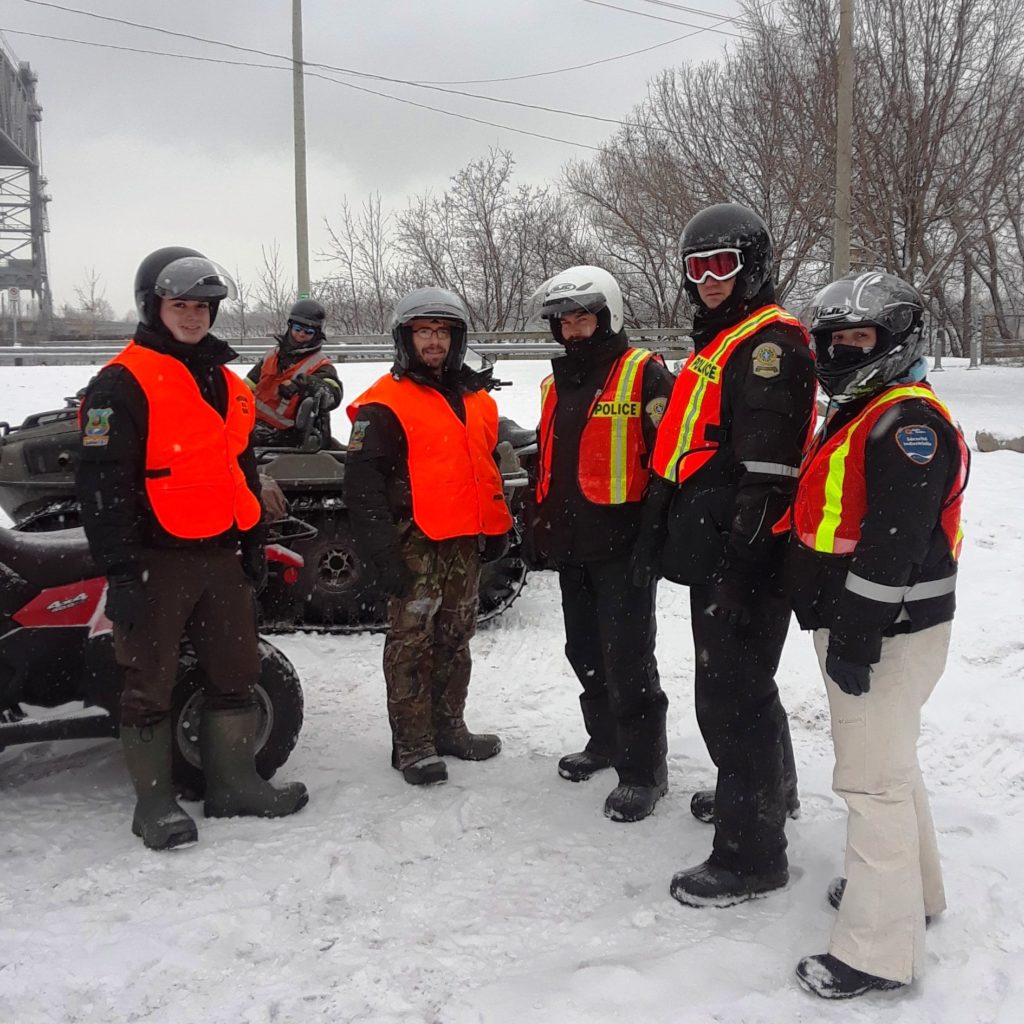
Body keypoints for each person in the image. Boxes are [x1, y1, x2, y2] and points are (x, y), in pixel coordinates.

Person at [76, 247, 309, 851]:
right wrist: (122, 572)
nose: (194, 316)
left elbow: (241, 468)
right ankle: (153, 804)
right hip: (157, 559)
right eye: (181, 305)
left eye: (203, 306)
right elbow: (102, 487)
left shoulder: (229, 383)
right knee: (148, 682)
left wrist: (253, 538)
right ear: (154, 306)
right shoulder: (120, 383)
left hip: (222, 555)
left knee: (235, 673)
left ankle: (233, 786)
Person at [783, 272, 969, 999]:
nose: (839, 350)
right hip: (873, 623)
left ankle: (878, 951)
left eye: (856, 338)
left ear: (894, 341)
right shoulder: (868, 410)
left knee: (872, 782)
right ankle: (911, 896)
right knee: (894, 769)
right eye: (832, 339)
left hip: (888, 628)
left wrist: (857, 635)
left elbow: (892, 544)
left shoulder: (907, 424)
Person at [636, 204, 816, 903]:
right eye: (697, 267)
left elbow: (767, 474)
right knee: (745, 687)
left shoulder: (769, 346)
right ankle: (771, 792)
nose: (709, 279)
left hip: (744, 555)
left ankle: (750, 854)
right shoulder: (728, 338)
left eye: (723, 266)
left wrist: (740, 568)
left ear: (753, 268)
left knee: (729, 697)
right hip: (718, 542)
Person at [343, 287, 512, 786]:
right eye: (424, 332)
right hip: (411, 541)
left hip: (463, 541)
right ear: (406, 338)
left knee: (456, 637)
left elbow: (486, 470)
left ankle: (449, 728)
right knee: (411, 643)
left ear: (456, 338)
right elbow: (362, 488)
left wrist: (497, 526)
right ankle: (412, 744)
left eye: (442, 332)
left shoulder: (476, 399)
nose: (434, 342)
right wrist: (380, 553)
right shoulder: (383, 403)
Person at [529, 266, 675, 823]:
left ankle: (644, 770)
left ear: (606, 316)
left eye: (583, 318)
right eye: (564, 321)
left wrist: (653, 538)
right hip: (572, 545)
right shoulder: (553, 383)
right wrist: (540, 524)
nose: (572, 330)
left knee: (628, 659)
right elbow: (550, 462)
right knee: (584, 652)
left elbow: (668, 464)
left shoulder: (644, 373)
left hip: (624, 548)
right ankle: (606, 741)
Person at [246, 298, 343, 448]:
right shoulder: (272, 355)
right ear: (290, 326)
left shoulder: (320, 365)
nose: (301, 334)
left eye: (308, 332)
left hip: (287, 437)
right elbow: (246, 387)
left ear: (316, 334)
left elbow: (332, 393)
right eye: (298, 329)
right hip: (254, 425)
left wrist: (307, 384)